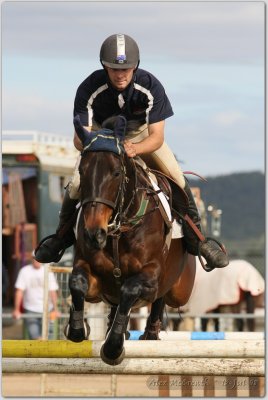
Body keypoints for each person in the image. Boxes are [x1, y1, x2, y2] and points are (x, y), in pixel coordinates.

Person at [34, 33, 228, 270]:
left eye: (126, 68)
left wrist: (135, 148)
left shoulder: (150, 86)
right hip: (101, 137)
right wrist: (100, 144)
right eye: (115, 69)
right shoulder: (89, 87)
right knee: (75, 183)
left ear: (136, 66)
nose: (121, 74)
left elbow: (157, 137)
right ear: (104, 66)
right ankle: (61, 238)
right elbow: (79, 138)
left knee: (176, 176)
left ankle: (198, 240)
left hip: (141, 136)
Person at [12, 256, 59, 339]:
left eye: (39, 258)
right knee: (34, 336)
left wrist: (56, 309)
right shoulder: (24, 271)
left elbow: (53, 292)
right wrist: (16, 309)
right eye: (35, 258)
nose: (36, 260)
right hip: (31, 309)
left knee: (49, 337)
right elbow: (19, 291)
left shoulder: (48, 271)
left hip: (48, 309)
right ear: (31, 259)